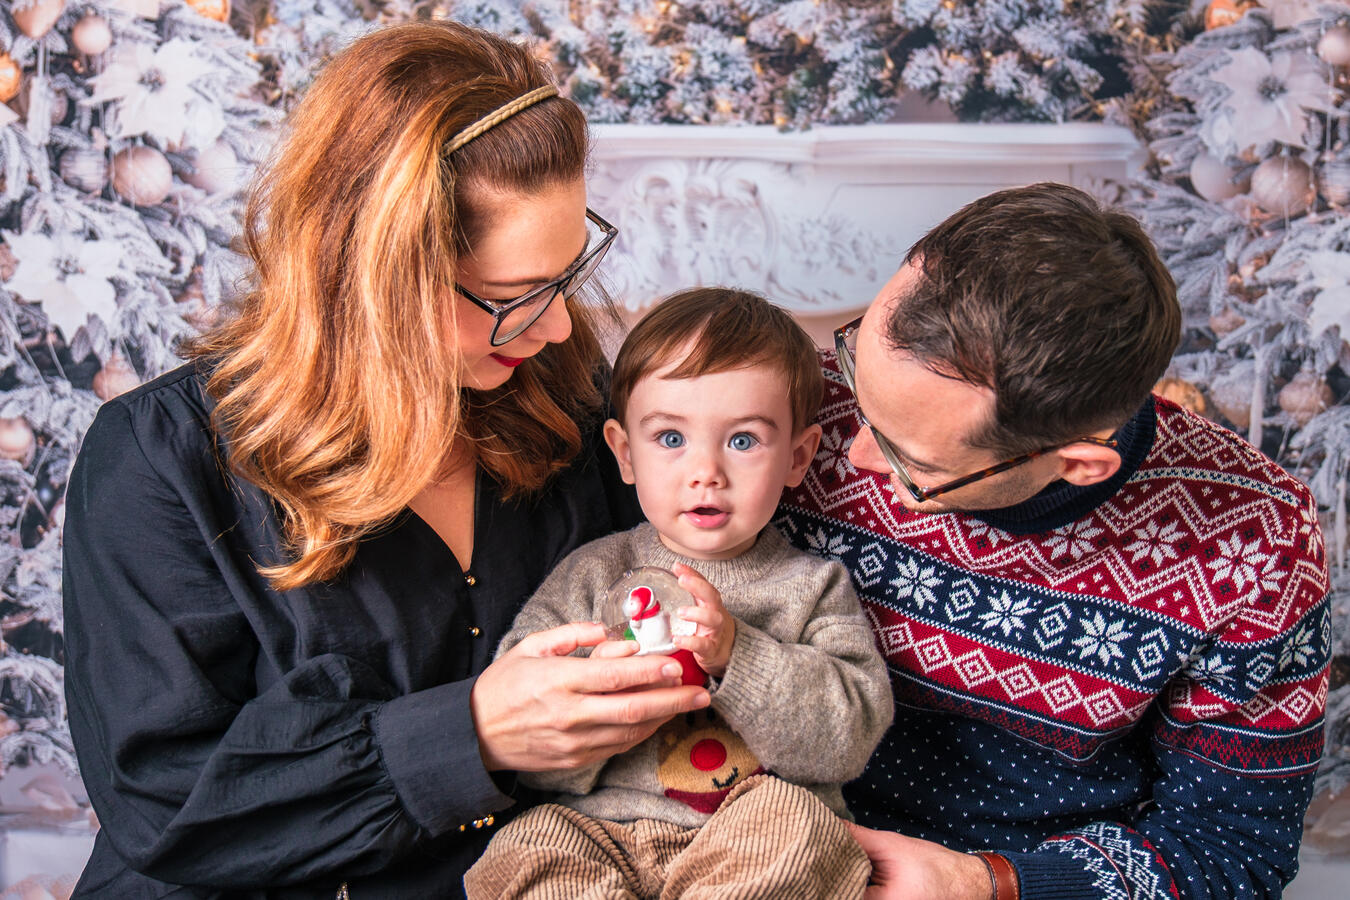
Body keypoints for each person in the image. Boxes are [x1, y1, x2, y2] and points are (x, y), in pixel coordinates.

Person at [61, 22, 712, 898]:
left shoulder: (564, 395)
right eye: (514, 296)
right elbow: (165, 804)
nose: (558, 327)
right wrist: (472, 734)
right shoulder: (158, 461)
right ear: (374, 278)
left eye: (564, 277)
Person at [776, 182, 1331, 900]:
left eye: (912, 461)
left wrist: (987, 884)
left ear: (1077, 464)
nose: (849, 453)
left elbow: (1230, 852)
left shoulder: (1258, 543)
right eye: (855, 368)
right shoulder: (789, 408)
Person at [464, 288, 894, 899]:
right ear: (625, 453)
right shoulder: (593, 573)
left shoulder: (811, 587)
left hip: (749, 837)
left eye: (743, 441)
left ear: (797, 458)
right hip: (601, 831)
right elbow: (525, 740)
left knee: (809, 832)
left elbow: (846, 741)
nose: (705, 473)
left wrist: (738, 653)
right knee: (523, 848)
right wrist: (603, 684)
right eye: (670, 439)